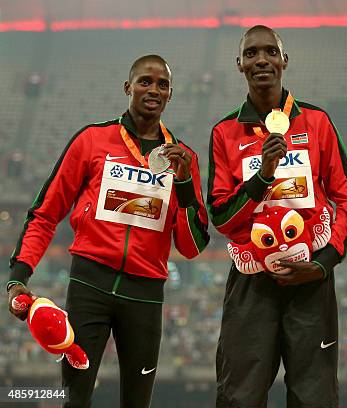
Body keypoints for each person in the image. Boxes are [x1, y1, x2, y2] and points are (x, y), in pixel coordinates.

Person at [6, 55, 210, 407]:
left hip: (145, 295)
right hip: (90, 286)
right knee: (75, 398)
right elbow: (45, 212)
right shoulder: (91, 140)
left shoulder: (183, 158)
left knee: (137, 402)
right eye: (145, 81)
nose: (153, 89)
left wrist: (186, 182)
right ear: (127, 87)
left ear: (170, 95)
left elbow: (192, 247)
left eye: (163, 85)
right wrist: (18, 276)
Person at [207, 25, 347, 407]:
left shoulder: (317, 122)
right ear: (239, 64)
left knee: (315, 397)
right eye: (252, 53)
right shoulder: (225, 132)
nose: (262, 59)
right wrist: (262, 177)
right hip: (251, 283)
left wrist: (323, 264)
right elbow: (222, 217)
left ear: (284, 61)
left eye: (270, 52)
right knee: (238, 396)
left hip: (309, 280)